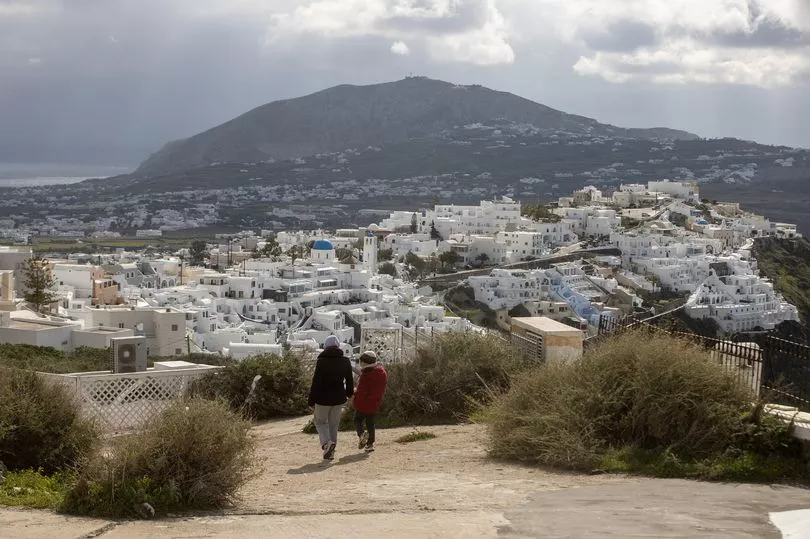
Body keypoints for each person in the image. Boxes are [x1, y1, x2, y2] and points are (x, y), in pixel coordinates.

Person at [308, 335, 353, 460]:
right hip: (339, 397)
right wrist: (349, 394)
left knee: (320, 422)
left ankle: (327, 443)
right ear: (338, 346)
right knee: (334, 425)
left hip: (322, 399)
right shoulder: (345, 361)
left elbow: (316, 382)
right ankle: (331, 452)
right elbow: (349, 380)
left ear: (325, 347)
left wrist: (311, 401)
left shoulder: (321, 361)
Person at [352, 351, 388, 453]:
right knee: (370, 422)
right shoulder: (382, 372)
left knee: (357, 419)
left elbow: (361, 392)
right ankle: (370, 444)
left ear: (364, 362)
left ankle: (362, 434)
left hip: (364, 403)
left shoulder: (366, 375)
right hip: (375, 402)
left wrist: (354, 393)